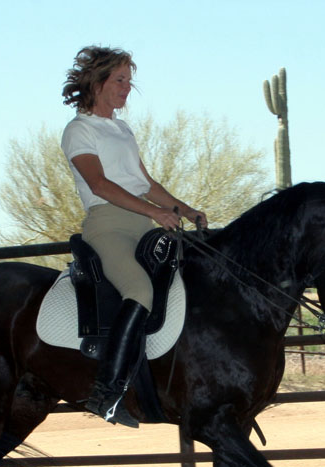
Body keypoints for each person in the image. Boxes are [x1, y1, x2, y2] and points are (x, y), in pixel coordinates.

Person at [61, 46, 207, 429]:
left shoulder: (122, 129)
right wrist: (153, 213)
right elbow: (100, 184)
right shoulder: (79, 130)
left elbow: (145, 184)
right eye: (120, 80)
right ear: (98, 83)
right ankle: (106, 392)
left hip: (143, 224)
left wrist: (184, 210)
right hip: (108, 226)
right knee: (139, 292)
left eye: (130, 80)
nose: (128, 88)